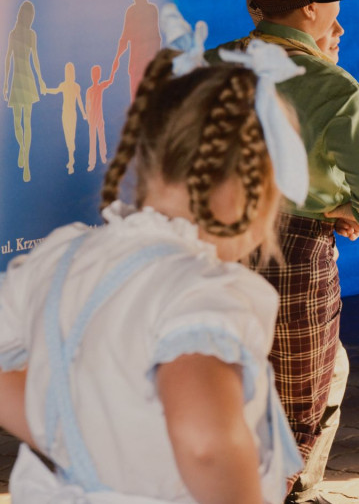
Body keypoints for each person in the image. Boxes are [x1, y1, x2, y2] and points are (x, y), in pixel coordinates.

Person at [0, 45, 306, 502]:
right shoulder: (205, 291)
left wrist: (77, 444)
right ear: (253, 189)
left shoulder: (62, 256)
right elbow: (205, 444)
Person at [207, 0, 359, 504]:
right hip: (294, 255)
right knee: (296, 401)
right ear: (313, 8)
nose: (340, 14)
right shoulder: (331, 87)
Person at [4, 0, 46, 182]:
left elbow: (35, 59)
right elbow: (8, 59)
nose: (30, 18)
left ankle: (27, 163)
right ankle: (22, 148)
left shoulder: (32, 35)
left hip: (27, 79)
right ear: (22, 15)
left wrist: (41, 80)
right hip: (16, 79)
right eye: (28, 15)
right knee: (16, 122)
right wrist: (5, 83)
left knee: (27, 122)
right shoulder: (13, 34)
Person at [42, 62, 87, 174]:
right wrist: (46, 90)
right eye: (67, 71)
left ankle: (71, 160)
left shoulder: (76, 86)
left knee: (71, 135)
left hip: (72, 114)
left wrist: (84, 113)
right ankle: (71, 157)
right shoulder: (64, 85)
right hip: (65, 114)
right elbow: (56, 91)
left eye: (69, 71)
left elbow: (80, 101)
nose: (68, 73)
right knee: (68, 136)